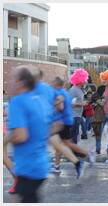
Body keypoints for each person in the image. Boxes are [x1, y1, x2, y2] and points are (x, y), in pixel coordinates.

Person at [3, 66, 51, 202]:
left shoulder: (18, 102)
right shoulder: (40, 100)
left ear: (21, 82)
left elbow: (21, 136)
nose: (11, 82)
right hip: (41, 165)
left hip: (28, 167)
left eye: (13, 79)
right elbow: (50, 127)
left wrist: (6, 140)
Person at [51, 76, 94, 174]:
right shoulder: (67, 92)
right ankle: (57, 166)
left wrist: (53, 105)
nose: (52, 84)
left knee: (65, 144)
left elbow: (61, 107)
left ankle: (84, 157)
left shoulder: (61, 93)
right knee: (60, 144)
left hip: (62, 122)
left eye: (53, 83)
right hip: (67, 120)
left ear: (57, 84)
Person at [69, 68, 90, 144]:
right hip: (73, 116)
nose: (85, 82)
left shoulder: (80, 89)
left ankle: (74, 151)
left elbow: (76, 101)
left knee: (76, 134)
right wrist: (82, 104)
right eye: (84, 80)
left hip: (78, 115)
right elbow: (70, 103)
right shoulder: (73, 89)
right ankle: (73, 152)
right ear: (80, 80)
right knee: (73, 135)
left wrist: (83, 102)